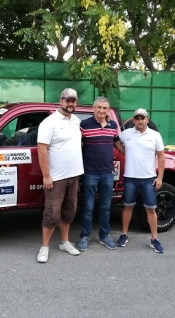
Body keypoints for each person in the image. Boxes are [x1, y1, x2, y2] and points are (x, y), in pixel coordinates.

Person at [36, 88, 84, 263]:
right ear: (61, 100)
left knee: (69, 210)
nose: (70, 103)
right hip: (56, 177)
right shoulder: (49, 122)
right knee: (52, 212)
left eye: (73, 100)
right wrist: (46, 176)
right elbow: (42, 150)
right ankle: (45, 247)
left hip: (74, 174)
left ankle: (64, 242)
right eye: (67, 100)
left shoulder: (76, 121)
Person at [113, 108, 165, 253]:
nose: (140, 121)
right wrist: (126, 152)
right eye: (137, 118)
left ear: (147, 120)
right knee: (128, 206)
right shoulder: (126, 134)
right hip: (130, 177)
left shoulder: (155, 136)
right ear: (134, 120)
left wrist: (160, 177)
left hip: (148, 178)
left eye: (143, 118)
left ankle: (154, 239)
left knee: (151, 209)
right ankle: (124, 234)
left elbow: (161, 157)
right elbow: (116, 142)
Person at [77, 96, 121, 251]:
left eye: (104, 108)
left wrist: (133, 155)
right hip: (90, 173)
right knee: (88, 207)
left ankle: (104, 236)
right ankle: (84, 237)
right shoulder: (84, 125)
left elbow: (118, 145)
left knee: (105, 207)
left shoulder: (113, 125)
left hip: (108, 173)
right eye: (99, 107)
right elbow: (76, 145)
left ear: (107, 110)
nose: (102, 110)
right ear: (93, 108)